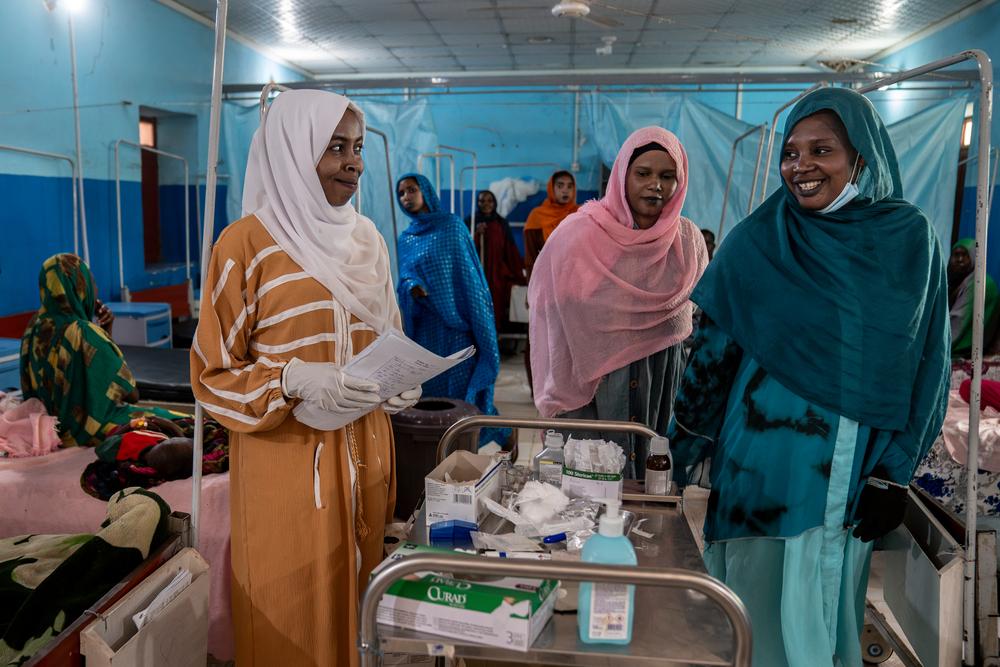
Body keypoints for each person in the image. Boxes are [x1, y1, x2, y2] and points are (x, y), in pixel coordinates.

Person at [668, 88, 950, 666]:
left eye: (822, 150)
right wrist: (681, 448)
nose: (801, 167)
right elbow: (711, 356)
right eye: (791, 153)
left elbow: (929, 363)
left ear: (862, 159)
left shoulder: (905, 240)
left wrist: (896, 474)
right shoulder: (760, 238)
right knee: (756, 603)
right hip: (758, 468)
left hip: (849, 468)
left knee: (822, 599)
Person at [191, 89, 420, 666]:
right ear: (293, 151)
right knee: (290, 611)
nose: (354, 163)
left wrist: (399, 377)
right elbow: (211, 375)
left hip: (367, 456)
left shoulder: (367, 240)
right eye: (335, 147)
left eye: (358, 148)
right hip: (289, 467)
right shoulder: (245, 245)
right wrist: (290, 378)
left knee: (362, 603)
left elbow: (385, 332)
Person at [529, 127, 707, 478]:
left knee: (648, 476)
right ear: (622, 175)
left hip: (659, 376)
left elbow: (697, 313)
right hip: (592, 384)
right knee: (589, 482)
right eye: (643, 173)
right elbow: (547, 307)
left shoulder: (687, 241)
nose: (655, 184)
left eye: (667, 176)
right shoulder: (578, 236)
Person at [396, 173, 507, 447]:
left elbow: (469, 278)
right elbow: (403, 278)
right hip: (426, 333)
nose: (407, 197)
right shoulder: (405, 239)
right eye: (401, 193)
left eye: (412, 190)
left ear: (426, 191)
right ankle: (438, 454)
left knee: (460, 397)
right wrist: (411, 286)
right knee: (431, 398)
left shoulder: (452, 227)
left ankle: (485, 440)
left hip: (457, 330)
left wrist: (477, 318)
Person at [19, 253, 172, 446]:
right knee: (180, 422)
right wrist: (104, 335)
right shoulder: (84, 332)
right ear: (79, 288)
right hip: (85, 430)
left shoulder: (33, 326)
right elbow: (131, 394)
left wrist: (103, 334)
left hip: (47, 428)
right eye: (92, 282)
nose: (96, 289)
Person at [470, 189, 527, 335]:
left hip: (496, 275)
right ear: (477, 203)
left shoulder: (501, 223)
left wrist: (520, 273)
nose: (486, 204)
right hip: (476, 274)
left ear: (494, 203)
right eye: (482, 201)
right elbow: (464, 249)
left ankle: (495, 337)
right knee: (477, 306)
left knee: (496, 305)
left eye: (489, 200)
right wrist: (476, 234)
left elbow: (510, 250)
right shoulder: (470, 222)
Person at [948, 237, 998, 358]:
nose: (960, 260)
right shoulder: (960, 280)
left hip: (967, 350)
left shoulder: (978, 282)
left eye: (965, 255)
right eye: (956, 255)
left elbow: (958, 321)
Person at [523, 170, 579, 273]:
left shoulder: (579, 214)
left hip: (575, 276)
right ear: (551, 188)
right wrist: (532, 286)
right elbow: (531, 258)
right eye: (560, 186)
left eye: (570, 186)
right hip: (547, 275)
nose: (565, 190)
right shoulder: (537, 216)